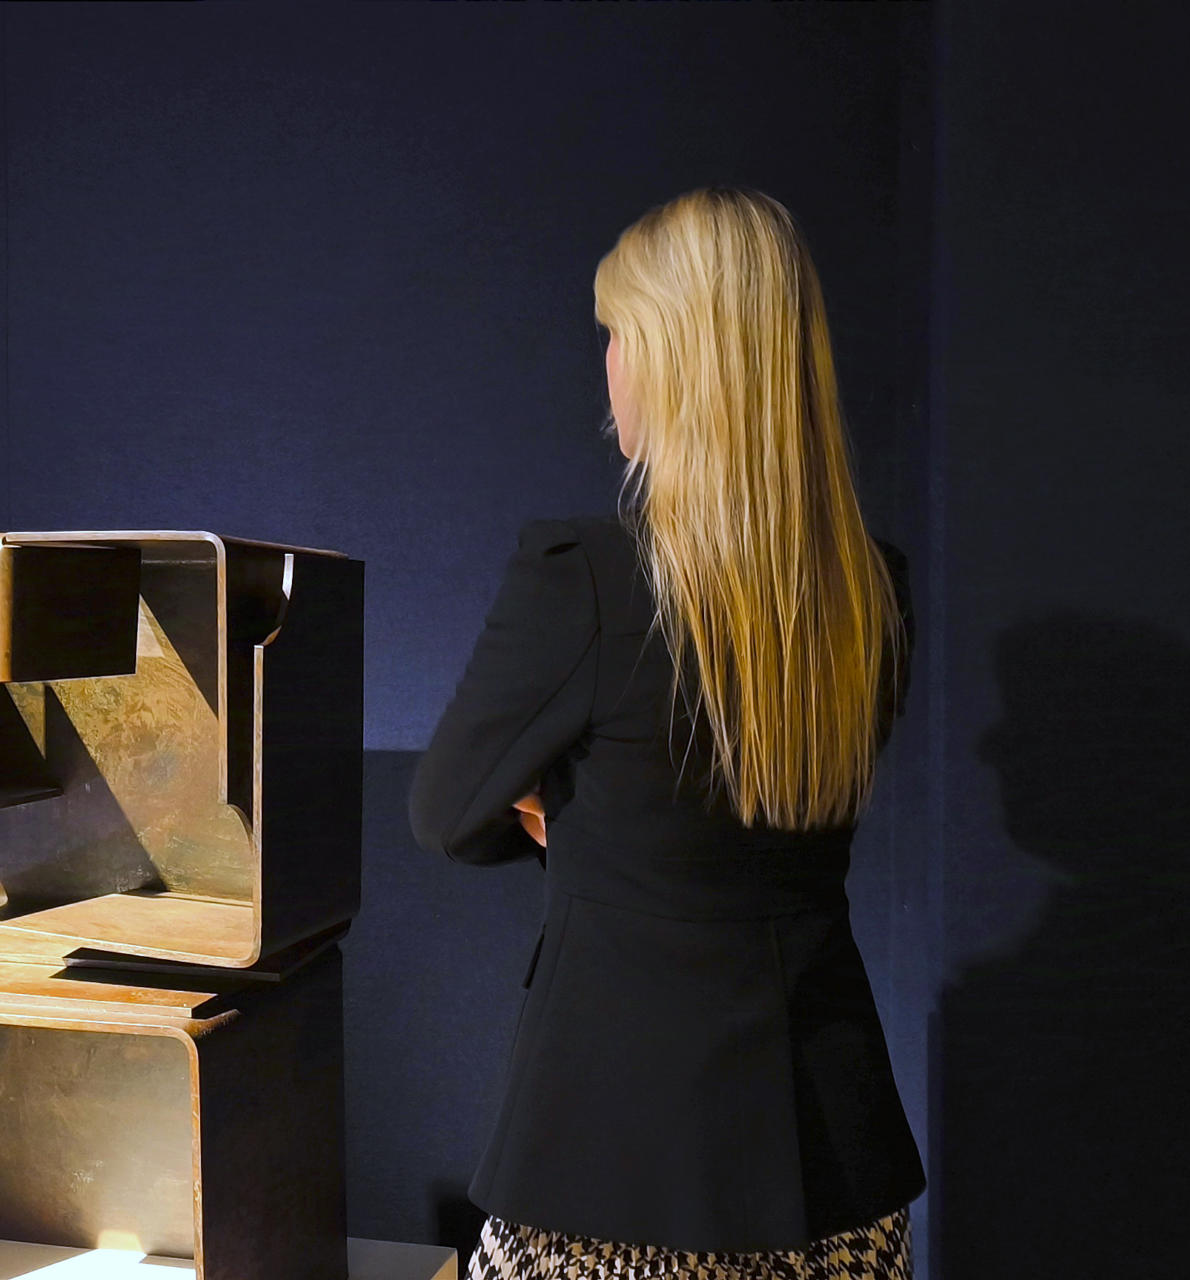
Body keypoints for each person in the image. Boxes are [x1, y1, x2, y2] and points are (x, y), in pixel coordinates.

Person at [408, 186, 926, 1280]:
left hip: (607, 1172)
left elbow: (445, 811)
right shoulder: (876, 593)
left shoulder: (588, 581)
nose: (606, 363)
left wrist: (570, 820)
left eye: (618, 333)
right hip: (833, 1167)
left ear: (677, 358)